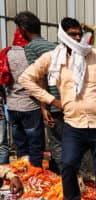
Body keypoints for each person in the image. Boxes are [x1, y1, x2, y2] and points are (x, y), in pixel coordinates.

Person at [18, 16, 96, 200]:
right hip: (74, 123)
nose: (77, 37)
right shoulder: (54, 58)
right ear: (63, 36)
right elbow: (25, 78)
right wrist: (51, 101)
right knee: (69, 163)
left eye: (79, 34)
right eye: (72, 34)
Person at [18, 12, 62, 173]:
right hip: (66, 100)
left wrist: (43, 108)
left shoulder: (31, 48)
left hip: (53, 103)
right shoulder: (54, 46)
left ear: (23, 29)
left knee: (57, 146)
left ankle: (66, 187)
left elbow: (40, 78)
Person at [5, 24, 46, 167]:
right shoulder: (30, 53)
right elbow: (40, 79)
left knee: (20, 145)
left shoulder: (6, 53)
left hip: (12, 106)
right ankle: (35, 175)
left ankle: (22, 172)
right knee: (35, 145)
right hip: (30, 106)